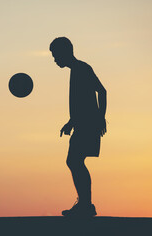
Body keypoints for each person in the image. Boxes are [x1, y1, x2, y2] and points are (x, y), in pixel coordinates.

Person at [50, 37, 107, 217]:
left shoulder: (82, 69)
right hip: (82, 124)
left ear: (64, 53)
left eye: (55, 55)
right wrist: (71, 122)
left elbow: (102, 91)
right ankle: (85, 204)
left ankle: (86, 205)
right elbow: (80, 102)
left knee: (74, 161)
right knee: (75, 161)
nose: (55, 59)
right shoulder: (76, 70)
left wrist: (100, 118)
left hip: (88, 124)